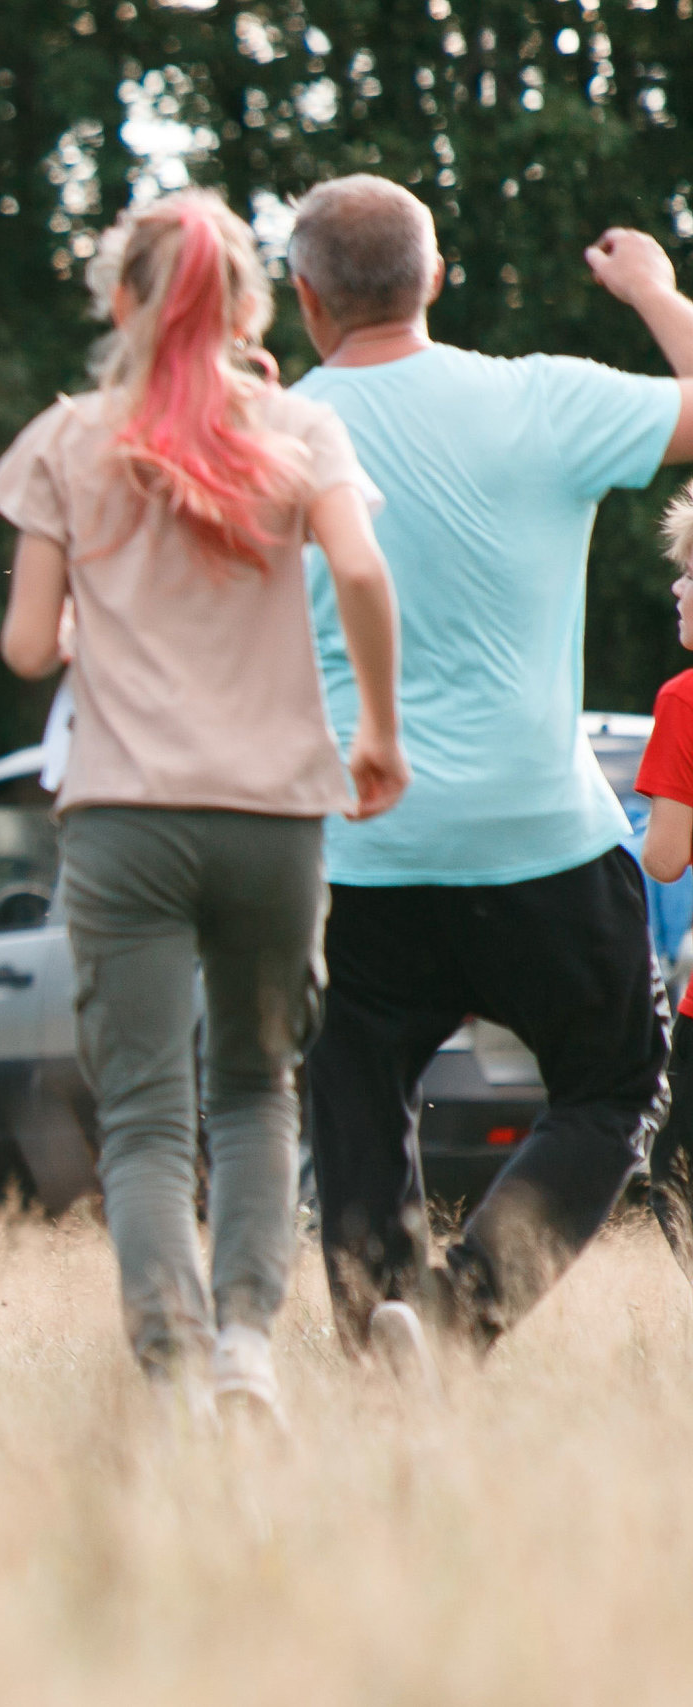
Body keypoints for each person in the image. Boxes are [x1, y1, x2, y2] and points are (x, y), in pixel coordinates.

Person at [0, 189, 409, 1424]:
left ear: (121, 299)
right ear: (247, 308)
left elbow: (25, 648)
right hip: (274, 818)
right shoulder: (294, 431)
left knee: (145, 1120)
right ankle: (245, 1353)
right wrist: (376, 730)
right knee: (257, 1091)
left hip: (126, 820)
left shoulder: (66, 440)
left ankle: (170, 1376)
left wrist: (95, 625)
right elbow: (365, 570)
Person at [288, 176, 693, 1372]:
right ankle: (460, 1314)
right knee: (612, 1088)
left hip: (364, 848)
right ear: (439, 277)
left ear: (306, 300)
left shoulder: (284, 434)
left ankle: (378, 1348)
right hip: (542, 842)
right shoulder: (536, 398)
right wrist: (659, 294)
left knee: (355, 1095)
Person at [630, 485, 693, 1281]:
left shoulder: (683, 702)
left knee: (676, 1172)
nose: (677, 586)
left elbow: (666, 858)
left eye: (690, 572)